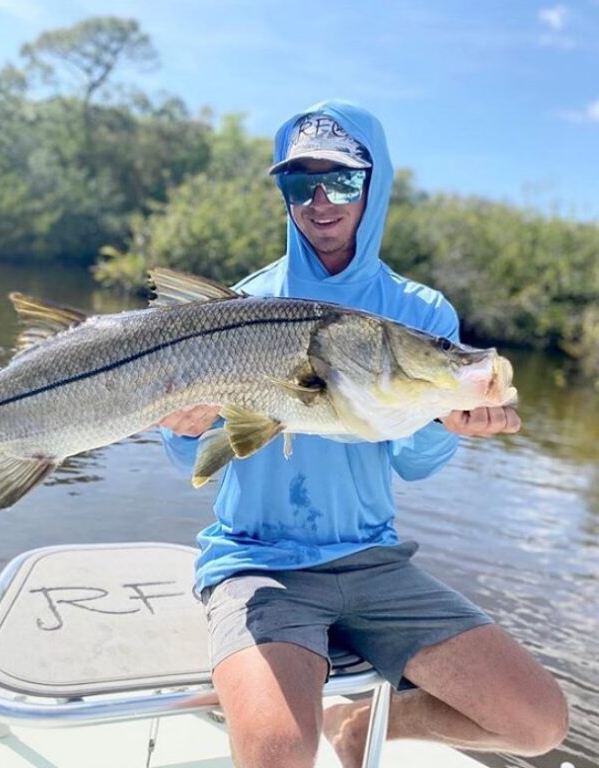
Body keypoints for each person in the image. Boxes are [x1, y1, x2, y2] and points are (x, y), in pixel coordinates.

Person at [158, 100, 568, 768]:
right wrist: (182, 429)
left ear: (374, 185)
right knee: (280, 755)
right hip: (258, 563)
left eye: (342, 181)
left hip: (374, 563)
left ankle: (361, 725)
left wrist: (449, 424)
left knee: (538, 722)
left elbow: (410, 462)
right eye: (299, 183)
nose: (319, 201)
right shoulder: (241, 306)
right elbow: (193, 460)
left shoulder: (420, 313)